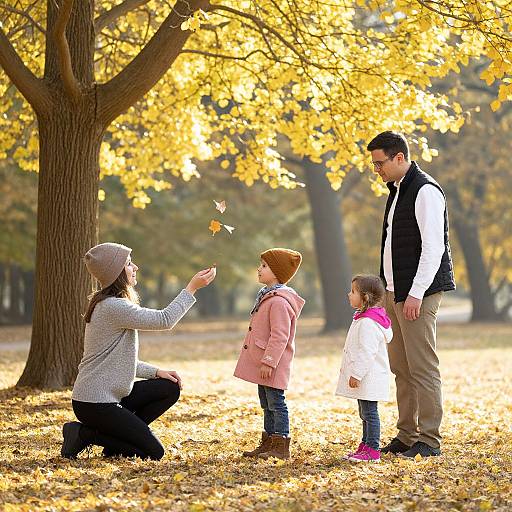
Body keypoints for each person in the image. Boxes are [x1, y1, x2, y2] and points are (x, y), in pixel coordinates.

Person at [61, 242, 216, 460]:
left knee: (168, 388)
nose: (135, 268)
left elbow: (118, 361)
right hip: (94, 403)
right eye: (128, 264)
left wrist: (157, 372)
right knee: (154, 452)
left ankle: (118, 441)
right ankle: (84, 434)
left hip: (111, 396)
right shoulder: (113, 307)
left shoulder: (111, 305)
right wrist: (192, 288)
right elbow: (165, 319)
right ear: (116, 272)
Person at [367, 131, 456, 458]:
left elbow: (434, 249)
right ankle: (407, 435)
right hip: (394, 291)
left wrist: (415, 294)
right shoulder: (398, 190)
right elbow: (394, 247)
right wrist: (385, 292)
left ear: (399, 158)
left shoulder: (425, 191)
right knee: (401, 368)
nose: (377, 170)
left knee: (422, 367)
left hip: (419, 292)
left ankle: (429, 440)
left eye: (380, 163)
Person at [234, 248, 305, 460]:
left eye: (264, 266)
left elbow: (280, 336)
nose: (259, 269)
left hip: (272, 364)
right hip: (263, 363)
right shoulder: (267, 297)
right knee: (266, 404)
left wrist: (269, 361)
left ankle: (281, 444)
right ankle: (268, 442)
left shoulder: (279, 302)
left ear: (276, 271)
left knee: (276, 403)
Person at [335, 275, 393, 462]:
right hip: (366, 377)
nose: (348, 294)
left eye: (353, 292)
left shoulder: (368, 323)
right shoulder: (363, 318)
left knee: (369, 413)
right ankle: (366, 445)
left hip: (368, 377)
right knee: (364, 412)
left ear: (365, 297)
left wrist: (357, 374)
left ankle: (373, 449)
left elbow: (366, 352)